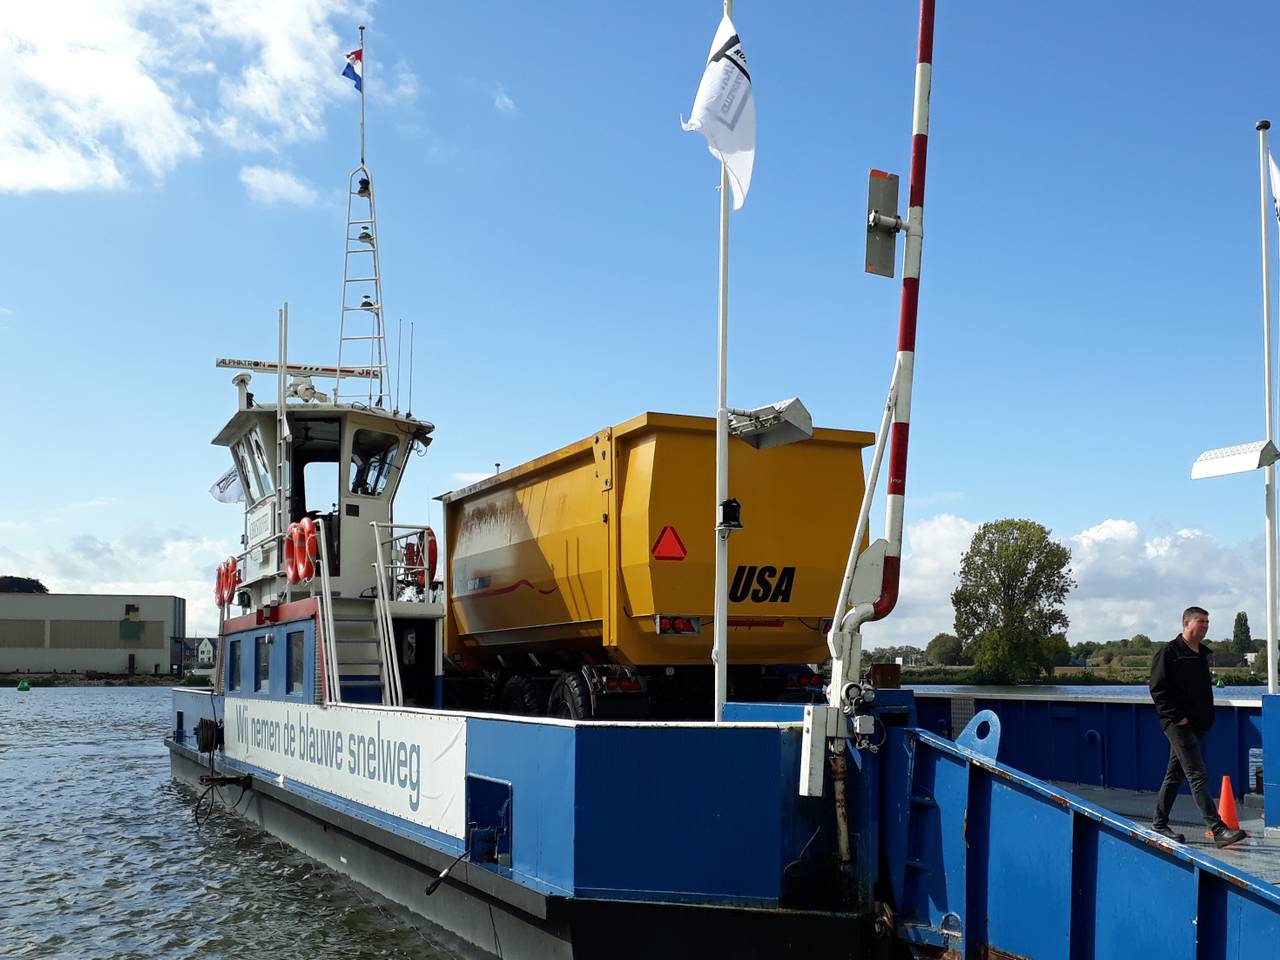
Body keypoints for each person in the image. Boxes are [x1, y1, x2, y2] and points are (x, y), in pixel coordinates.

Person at [1148, 606, 1247, 847]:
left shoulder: (1201, 654)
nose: (1205, 625)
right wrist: (1177, 717)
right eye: (1201, 621)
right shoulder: (1169, 653)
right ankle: (1218, 828)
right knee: (1197, 774)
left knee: (1175, 775)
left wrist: (1206, 717)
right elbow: (1158, 689)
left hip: (1199, 723)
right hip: (1178, 724)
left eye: (1207, 622)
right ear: (1186, 623)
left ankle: (1159, 823)